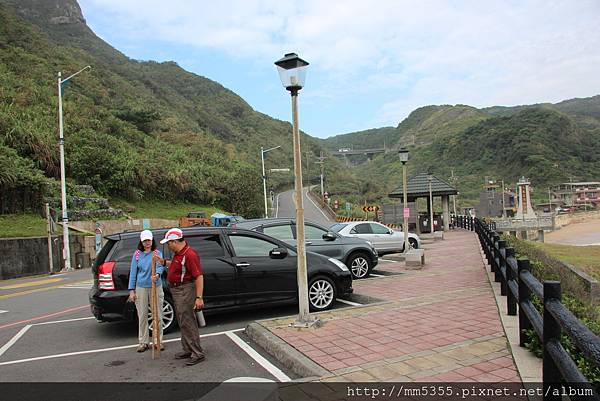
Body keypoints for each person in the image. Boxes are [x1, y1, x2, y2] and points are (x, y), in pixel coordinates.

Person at [156, 228, 205, 365]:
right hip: (178, 289)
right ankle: (188, 349)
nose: (168, 246)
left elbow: (198, 276)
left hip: (185, 289)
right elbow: (178, 265)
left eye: (169, 243)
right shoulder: (179, 253)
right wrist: (164, 262)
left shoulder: (190, 254)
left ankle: (197, 352)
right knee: (182, 320)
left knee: (188, 321)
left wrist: (199, 297)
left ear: (175, 242)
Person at [128, 230, 165, 352]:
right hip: (141, 287)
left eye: (149, 240)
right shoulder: (137, 255)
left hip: (156, 285)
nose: (147, 242)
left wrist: (158, 274)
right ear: (141, 241)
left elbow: (160, 266)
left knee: (157, 314)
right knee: (142, 315)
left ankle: (157, 340)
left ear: (152, 240)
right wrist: (132, 290)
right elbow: (133, 273)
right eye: (145, 241)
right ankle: (143, 341)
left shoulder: (157, 252)